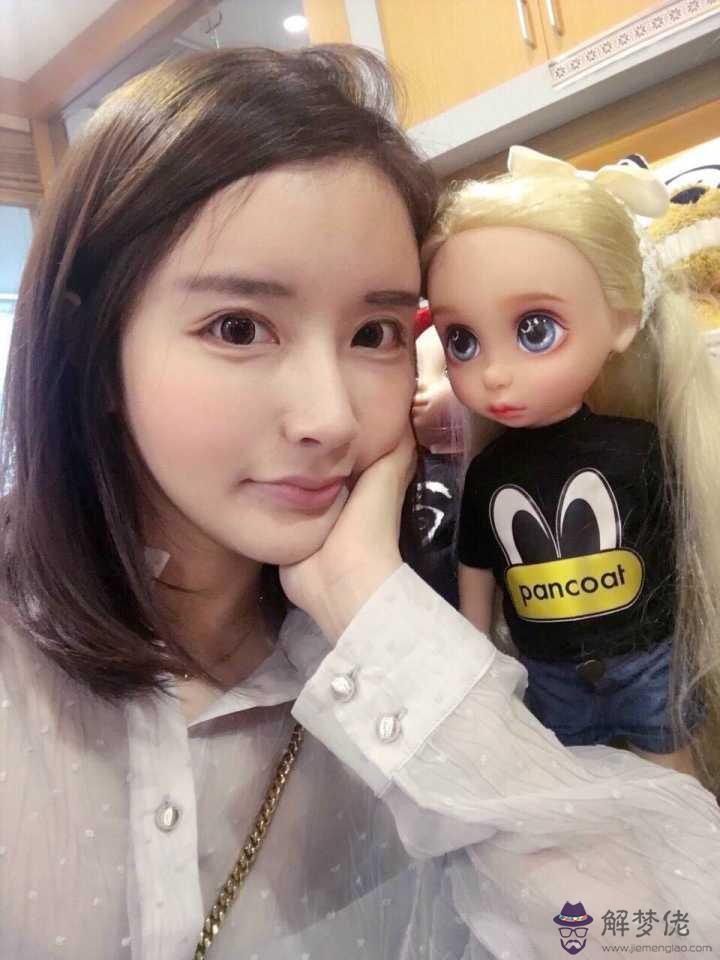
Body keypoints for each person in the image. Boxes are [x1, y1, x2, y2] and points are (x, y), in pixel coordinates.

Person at [0, 49, 718, 960]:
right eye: (239, 328)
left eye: (375, 333)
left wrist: (366, 610)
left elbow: (670, 930)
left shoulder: (430, 653)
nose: (331, 418)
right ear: (94, 351)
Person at [423, 147, 720, 783]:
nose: (494, 373)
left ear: (622, 322)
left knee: (678, 789)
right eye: (462, 341)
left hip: (647, 660)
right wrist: (476, 655)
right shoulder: (489, 472)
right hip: (549, 673)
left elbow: (691, 548)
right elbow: (478, 564)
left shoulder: (638, 448)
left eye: (535, 329)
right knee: (574, 795)